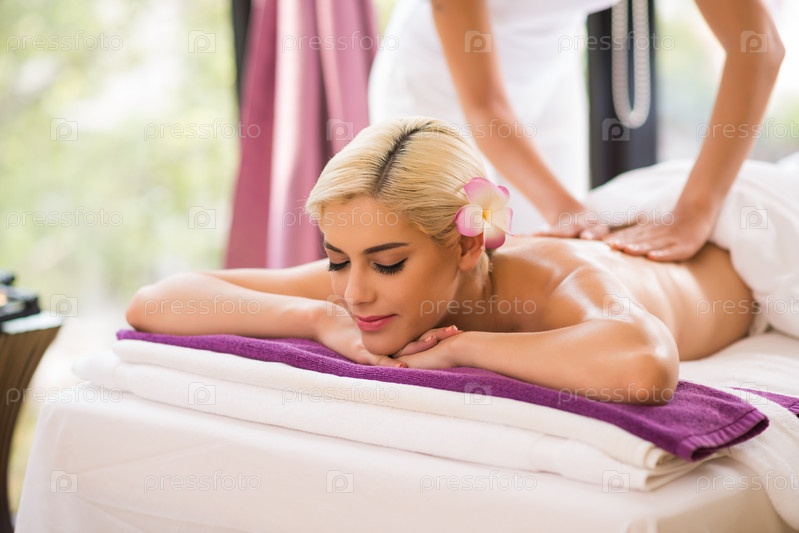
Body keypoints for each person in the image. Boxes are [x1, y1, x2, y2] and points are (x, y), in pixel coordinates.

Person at [125, 117, 765, 405]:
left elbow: (644, 367)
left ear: (465, 245)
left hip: (752, 241)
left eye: (387, 264)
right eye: (337, 260)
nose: (354, 293)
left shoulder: (559, 280)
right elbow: (157, 301)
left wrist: (464, 348)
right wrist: (316, 319)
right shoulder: (358, 284)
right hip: (624, 214)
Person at [369, 0, 785, 261]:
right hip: (441, 79)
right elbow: (484, 106)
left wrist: (696, 209)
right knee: (438, 262)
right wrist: (563, 207)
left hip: (550, 69)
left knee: (551, 253)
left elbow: (758, 47)